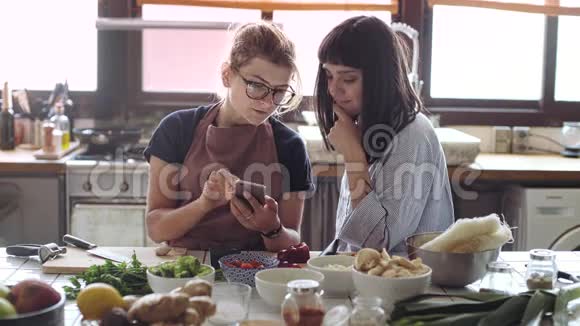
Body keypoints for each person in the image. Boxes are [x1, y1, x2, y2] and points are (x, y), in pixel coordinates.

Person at [144, 22, 314, 252]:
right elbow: (156, 228)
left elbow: (292, 239)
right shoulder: (176, 130)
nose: (267, 103)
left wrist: (272, 228)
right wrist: (204, 204)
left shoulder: (290, 146)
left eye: (279, 91)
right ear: (227, 75)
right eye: (256, 86)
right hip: (186, 268)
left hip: (256, 271)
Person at [314, 16, 454, 254]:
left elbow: (378, 242)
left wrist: (353, 156)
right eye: (329, 76)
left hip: (402, 283)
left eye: (348, 79)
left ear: (380, 79)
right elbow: (352, 237)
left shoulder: (413, 136)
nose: (333, 90)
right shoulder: (365, 126)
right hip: (369, 280)